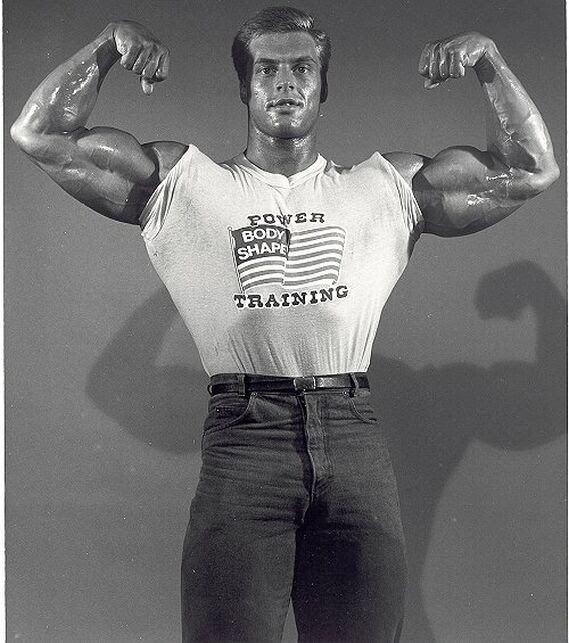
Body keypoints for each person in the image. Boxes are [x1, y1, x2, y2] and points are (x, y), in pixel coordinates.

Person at [11, 6, 558, 642]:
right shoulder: (184, 184)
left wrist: (489, 60)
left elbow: (529, 169)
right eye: (267, 70)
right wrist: (107, 45)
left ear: (323, 87)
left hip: (351, 435)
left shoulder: (385, 188)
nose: (285, 83)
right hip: (246, 438)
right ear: (245, 88)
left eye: (302, 68)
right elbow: (40, 134)